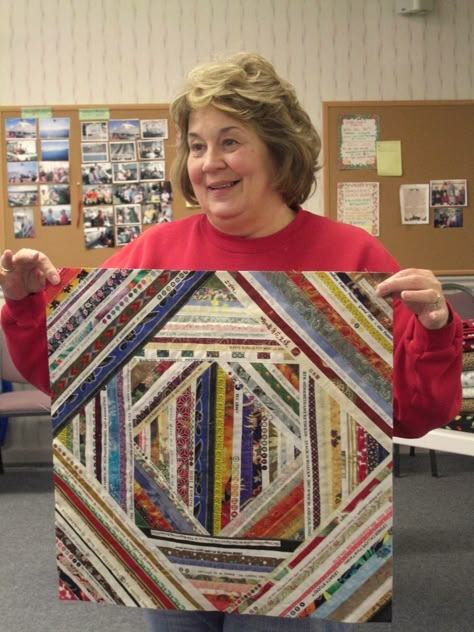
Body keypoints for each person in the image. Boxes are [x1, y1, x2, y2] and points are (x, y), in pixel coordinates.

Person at [0, 53, 462, 632]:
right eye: (196, 145)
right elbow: (71, 382)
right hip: (167, 545)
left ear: (277, 149)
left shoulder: (354, 263)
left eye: (230, 141)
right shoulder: (152, 258)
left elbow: (416, 416)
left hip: (299, 555)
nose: (210, 163)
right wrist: (26, 306)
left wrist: (438, 330)